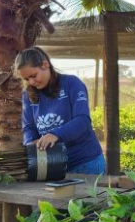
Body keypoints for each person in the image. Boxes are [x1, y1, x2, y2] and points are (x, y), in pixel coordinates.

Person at [16, 46, 105, 175]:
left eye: (33, 76)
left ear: (45, 65)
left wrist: (55, 134)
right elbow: (28, 127)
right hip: (51, 165)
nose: (31, 82)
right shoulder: (27, 95)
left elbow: (83, 120)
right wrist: (30, 142)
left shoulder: (72, 84)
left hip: (85, 163)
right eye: (26, 79)